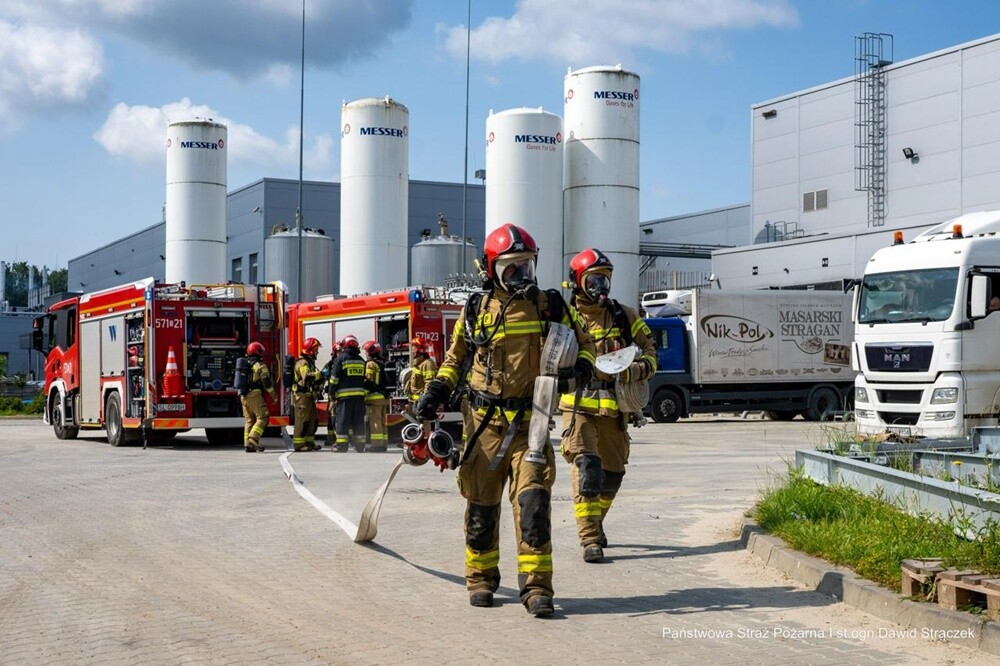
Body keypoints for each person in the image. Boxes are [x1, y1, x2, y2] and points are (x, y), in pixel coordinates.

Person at [416, 222, 596, 618]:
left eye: (527, 267)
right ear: (491, 270)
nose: (521, 276)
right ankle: (480, 579)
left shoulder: (550, 305)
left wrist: (579, 368)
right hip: (484, 425)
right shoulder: (476, 309)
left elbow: (585, 345)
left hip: (532, 423)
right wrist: (435, 392)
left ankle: (536, 588)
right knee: (480, 507)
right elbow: (455, 360)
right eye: (511, 269)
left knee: (533, 504)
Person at [560, 248, 658, 563]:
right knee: (587, 468)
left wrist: (636, 370)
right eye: (593, 281)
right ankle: (589, 539)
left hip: (615, 408)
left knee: (613, 474)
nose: (601, 288)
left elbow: (651, 353)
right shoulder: (565, 317)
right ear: (578, 282)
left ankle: (596, 521)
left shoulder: (625, 315)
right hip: (578, 407)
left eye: (604, 280)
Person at [327, 335, 368, 452]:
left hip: (345, 399)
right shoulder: (361, 360)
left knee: (343, 422)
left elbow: (334, 379)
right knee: (358, 422)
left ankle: (341, 446)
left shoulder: (341, 359)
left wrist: (331, 393)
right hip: (359, 398)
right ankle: (360, 446)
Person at [241, 341, 277, 453]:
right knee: (263, 417)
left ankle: (247, 444)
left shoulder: (244, 364)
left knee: (249, 420)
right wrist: (274, 396)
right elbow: (267, 383)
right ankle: (253, 439)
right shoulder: (260, 366)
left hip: (243, 396)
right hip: (255, 395)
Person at [291, 337, 323, 452]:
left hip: (309, 396)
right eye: (315, 349)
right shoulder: (303, 362)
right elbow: (307, 376)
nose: (317, 352)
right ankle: (299, 444)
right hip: (302, 397)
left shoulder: (309, 362)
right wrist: (321, 374)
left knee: (312, 420)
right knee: (302, 420)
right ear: (310, 350)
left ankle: (309, 442)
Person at [362, 340, 389, 453]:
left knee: (375, 422)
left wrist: (363, 393)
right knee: (383, 422)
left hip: (374, 397)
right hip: (384, 397)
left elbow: (369, 380)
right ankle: (383, 444)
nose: (365, 354)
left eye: (366, 351)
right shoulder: (383, 362)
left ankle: (376, 445)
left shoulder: (370, 364)